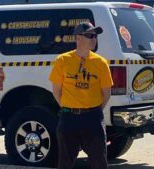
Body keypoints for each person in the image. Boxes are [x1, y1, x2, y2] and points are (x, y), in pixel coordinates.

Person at [49, 22, 113, 169]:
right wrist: (69, 107)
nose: (94, 39)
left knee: (99, 162)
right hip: (68, 118)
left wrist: (92, 109)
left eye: (95, 36)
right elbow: (56, 91)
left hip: (93, 119)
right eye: (90, 35)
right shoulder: (62, 60)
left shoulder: (101, 63)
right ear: (78, 38)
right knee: (65, 163)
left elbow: (106, 93)